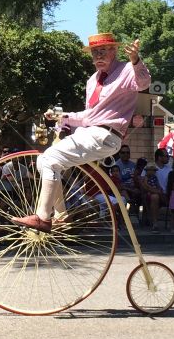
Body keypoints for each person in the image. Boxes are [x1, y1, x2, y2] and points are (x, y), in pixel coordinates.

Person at [11, 32, 151, 231]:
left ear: (114, 51)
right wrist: (62, 117)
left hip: (105, 134)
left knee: (49, 159)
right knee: (45, 162)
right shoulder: (92, 81)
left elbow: (144, 83)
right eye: (95, 53)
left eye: (103, 51)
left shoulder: (127, 69)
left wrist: (136, 60)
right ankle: (61, 215)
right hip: (91, 132)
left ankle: (43, 217)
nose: (98, 56)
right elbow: (88, 116)